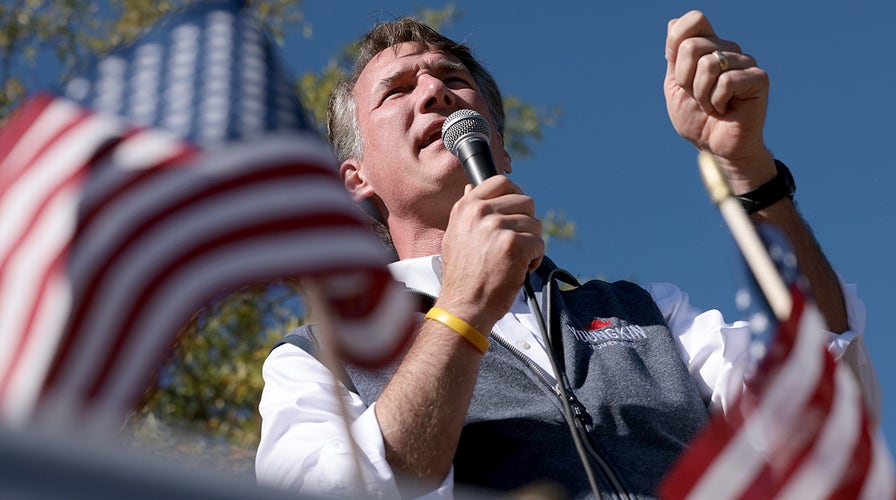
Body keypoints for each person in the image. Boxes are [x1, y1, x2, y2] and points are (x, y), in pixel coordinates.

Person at [255, 10, 881, 499]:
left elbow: (827, 399)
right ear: (356, 178)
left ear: (500, 148)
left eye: (453, 80)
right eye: (396, 91)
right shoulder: (319, 359)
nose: (434, 94)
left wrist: (749, 168)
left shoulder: (647, 314)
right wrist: (463, 310)